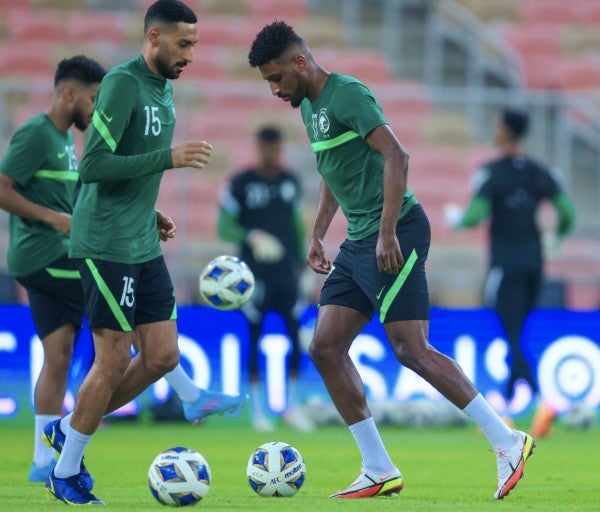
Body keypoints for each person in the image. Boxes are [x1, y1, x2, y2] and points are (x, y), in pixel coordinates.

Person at [248, 21, 535, 500]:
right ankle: (378, 467)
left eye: (276, 77)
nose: (275, 89)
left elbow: (397, 156)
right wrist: (318, 235)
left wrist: (385, 234)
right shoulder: (311, 109)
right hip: (358, 241)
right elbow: (331, 173)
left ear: (299, 62)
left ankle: (507, 441)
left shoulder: (347, 95)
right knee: (324, 346)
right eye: (268, 82)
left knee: (410, 348)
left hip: (396, 231)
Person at [43, 1, 245, 505]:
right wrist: (169, 159)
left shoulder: (162, 91)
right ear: (154, 37)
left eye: (195, 44)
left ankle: (70, 427)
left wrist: (147, 208)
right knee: (113, 358)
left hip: (140, 239)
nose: (191, 55)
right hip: (107, 243)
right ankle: (64, 473)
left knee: (161, 356)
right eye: (184, 44)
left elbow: (128, 169)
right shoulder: (123, 83)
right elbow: (93, 164)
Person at [0, 55, 106, 483]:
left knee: (58, 354)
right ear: (69, 93)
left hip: (49, 254)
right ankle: (186, 393)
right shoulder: (37, 135)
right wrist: (51, 218)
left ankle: (43, 462)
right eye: (93, 99)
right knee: (123, 311)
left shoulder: (64, 140)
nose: (96, 109)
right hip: (44, 254)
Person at [444, 108, 576, 437]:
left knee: (510, 332)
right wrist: (556, 239)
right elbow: (567, 212)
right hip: (535, 264)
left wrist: (457, 220)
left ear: (504, 131)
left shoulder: (492, 173)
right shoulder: (539, 172)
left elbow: (475, 215)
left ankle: (544, 402)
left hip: (505, 265)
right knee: (516, 331)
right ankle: (505, 407)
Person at [217, 125, 314, 432]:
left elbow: (297, 227)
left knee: (295, 338)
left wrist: (306, 266)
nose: (274, 154)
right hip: (252, 278)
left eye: (277, 148)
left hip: (287, 274)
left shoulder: (290, 183)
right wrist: (253, 236)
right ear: (258, 147)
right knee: (254, 339)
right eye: (268, 148)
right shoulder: (240, 184)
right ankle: (258, 411)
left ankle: (292, 406)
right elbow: (224, 227)